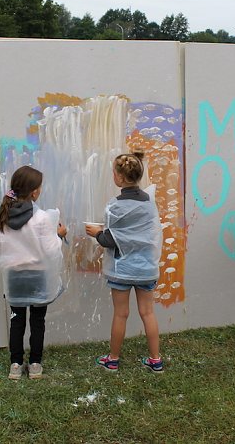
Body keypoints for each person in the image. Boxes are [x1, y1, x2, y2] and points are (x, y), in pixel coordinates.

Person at [0, 165, 67, 380]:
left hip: (14, 278)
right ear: (34, 191)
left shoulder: (3, 216)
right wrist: (60, 234)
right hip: (37, 277)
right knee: (38, 321)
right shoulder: (42, 219)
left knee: (16, 320)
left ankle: (16, 365)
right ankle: (35, 364)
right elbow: (50, 250)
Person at [86, 151, 164, 373]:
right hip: (146, 269)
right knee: (148, 312)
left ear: (118, 178)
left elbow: (110, 240)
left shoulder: (114, 206)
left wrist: (96, 233)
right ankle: (155, 359)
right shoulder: (149, 203)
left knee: (121, 313)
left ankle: (113, 359)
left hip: (122, 269)